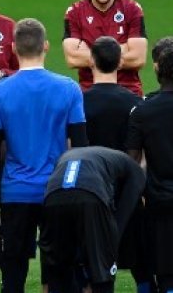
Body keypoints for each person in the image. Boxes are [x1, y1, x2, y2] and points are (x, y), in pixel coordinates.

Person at [0, 18, 88, 292]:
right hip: (58, 191)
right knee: (61, 271)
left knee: (13, 272)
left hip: (15, 192)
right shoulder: (68, 88)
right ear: (46, 46)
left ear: (13, 48)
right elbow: (82, 146)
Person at [82, 36, 151, 291]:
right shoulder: (136, 103)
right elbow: (143, 153)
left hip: (91, 192)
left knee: (94, 264)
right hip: (127, 193)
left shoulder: (79, 102)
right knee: (140, 263)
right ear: (121, 62)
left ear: (90, 62)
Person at [39, 147, 145, 293]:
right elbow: (124, 213)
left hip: (52, 196)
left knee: (57, 270)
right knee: (101, 275)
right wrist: (111, 242)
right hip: (90, 194)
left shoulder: (79, 155)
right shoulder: (136, 170)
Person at [63, 0, 147, 96]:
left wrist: (90, 53)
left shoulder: (132, 9)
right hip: (90, 94)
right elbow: (72, 59)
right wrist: (122, 49)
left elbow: (138, 59)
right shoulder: (75, 12)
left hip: (129, 92)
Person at [126, 41, 173, 292]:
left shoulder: (142, 111)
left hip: (159, 200)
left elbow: (131, 161)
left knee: (166, 270)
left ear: (157, 72)